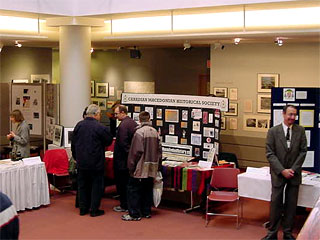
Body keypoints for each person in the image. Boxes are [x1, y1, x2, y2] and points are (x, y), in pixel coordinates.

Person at [263, 105, 307, 240]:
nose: (292, 118)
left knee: (291, 204)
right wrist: (282, 170)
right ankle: (272, 233)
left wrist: (293, 169)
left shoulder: (300, 131)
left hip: (294, 174)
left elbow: (303, 151)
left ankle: (287, 232)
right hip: (278, 173)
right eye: (290, 114)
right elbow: (270, 153)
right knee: (276, 203)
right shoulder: (273, 131)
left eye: (294, 115)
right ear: (283, 114)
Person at [71, 104, 113, 217]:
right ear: (96, 114)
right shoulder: (100, 127)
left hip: (82, 161)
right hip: (96, 162)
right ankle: (94, 209)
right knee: (96, 186)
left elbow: (73, 144)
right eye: (99, 114)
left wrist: (76, 157)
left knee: (82, 185)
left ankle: (83, 209)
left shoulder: (79, 125)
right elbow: (108, 141)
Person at [122, 111, 162, 221]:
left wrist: (131, 166)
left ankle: (134, 214)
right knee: (147, 189)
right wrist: (158, 166)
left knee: (133, 190)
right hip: (152, 166)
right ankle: (146, 211)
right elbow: (159, 151)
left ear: (139, 120)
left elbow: (136, 152)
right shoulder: (155, 132)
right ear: (149, 119)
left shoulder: (139, 133)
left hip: (140, 167)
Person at [113, 104, 138, 212]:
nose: (115, 116)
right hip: (129, 160)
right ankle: (129, 204)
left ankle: (124, 205)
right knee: (129, 184)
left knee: (122, 184)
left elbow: (123, 144)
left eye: (116, 113)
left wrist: (128, 154)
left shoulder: (123, 126)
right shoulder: (133, 123)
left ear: (123, 112)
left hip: (122, 160)